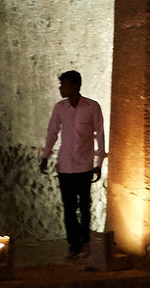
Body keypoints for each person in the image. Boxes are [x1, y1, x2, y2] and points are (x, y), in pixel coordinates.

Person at [39, 69, 106, 259]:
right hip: (65, 166)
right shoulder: (60, 108)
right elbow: (52, 132)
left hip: (84, 166)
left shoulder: (92, 107)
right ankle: (73, 244)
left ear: (75, 86)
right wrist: (45, 156)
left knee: (84, 206)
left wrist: (99, 163)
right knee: (69, 207)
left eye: (65, 85)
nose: (61, 88)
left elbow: (99, 135)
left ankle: (85, 241)